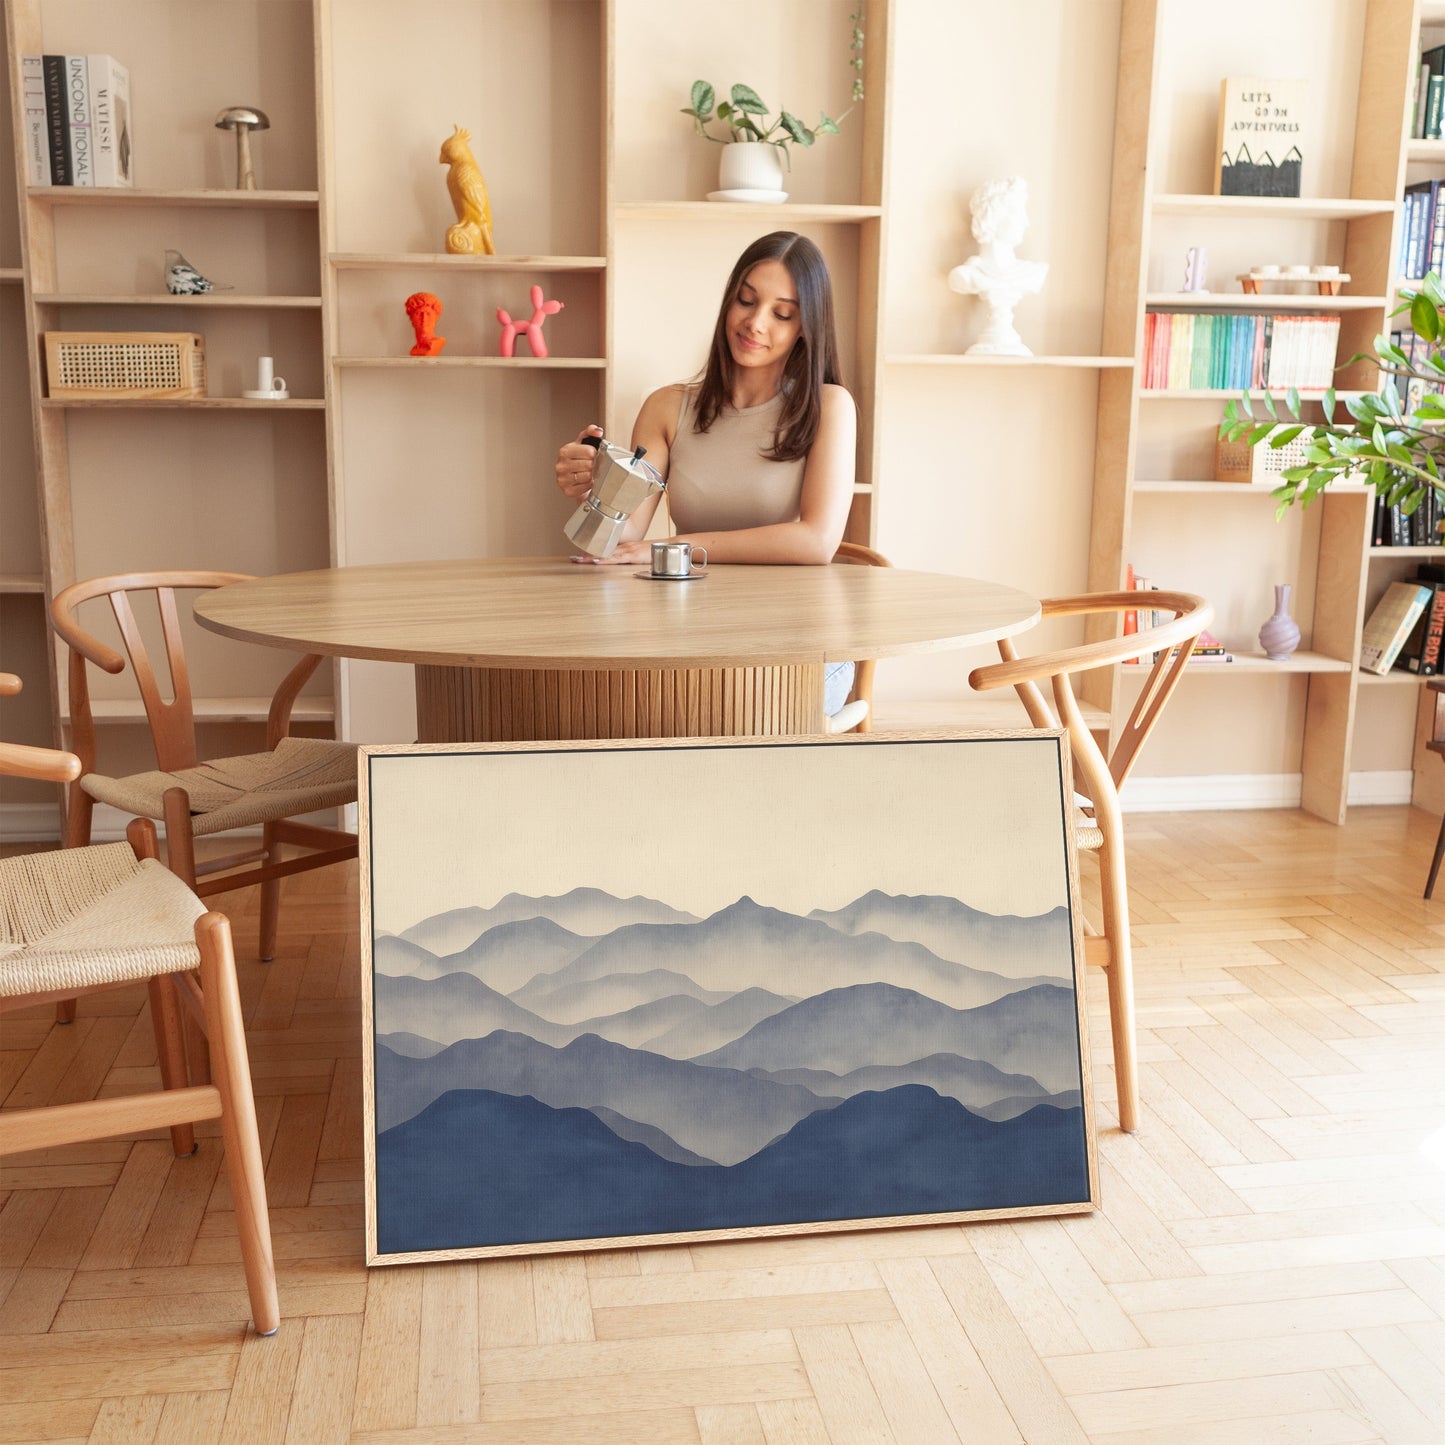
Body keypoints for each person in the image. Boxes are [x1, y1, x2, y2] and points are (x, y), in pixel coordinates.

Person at [554, 230, 859, 712]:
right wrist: (595, 488)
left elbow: (817, 541)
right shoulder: (667, 407)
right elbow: (622, 539)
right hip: (694, 640)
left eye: (782, 313)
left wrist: (672, 546)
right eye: (746, 300)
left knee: (711, 710)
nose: (756, 323)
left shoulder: (830, 407)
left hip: (800, 646)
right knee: (606, 702)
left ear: (806, 326)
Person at [947, 176, 1048, 356]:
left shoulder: (1032, 274)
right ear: (994, 215)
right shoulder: (967, 275)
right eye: (1018, 212)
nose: (1026, 222)